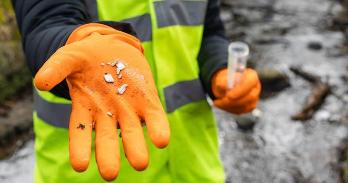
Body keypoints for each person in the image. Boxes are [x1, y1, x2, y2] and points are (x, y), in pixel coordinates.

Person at [12, 0, 261, 182]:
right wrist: (79, 40)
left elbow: (208, 29)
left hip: (195, 167)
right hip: (91, 172)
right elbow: (45, 20)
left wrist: (217, 69)